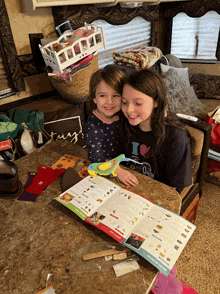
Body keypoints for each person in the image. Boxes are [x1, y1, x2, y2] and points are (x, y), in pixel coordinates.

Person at [115, 69, 192, 194]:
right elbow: (110, 156)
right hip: (126, 188)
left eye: (138, 103)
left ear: (156, 102)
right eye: (124, 102)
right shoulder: (124, 124)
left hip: (156, 195)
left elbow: (175, 188)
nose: (128, 110)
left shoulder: (176, 136)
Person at [84, 66, 125, 163]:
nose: (109, 102)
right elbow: (95, 157)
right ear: (94, 98)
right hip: (106, 169)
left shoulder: (123, 115)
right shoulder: (93, 125)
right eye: (102, 96)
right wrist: (118, 170)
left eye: (115, 95)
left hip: (126, 164)